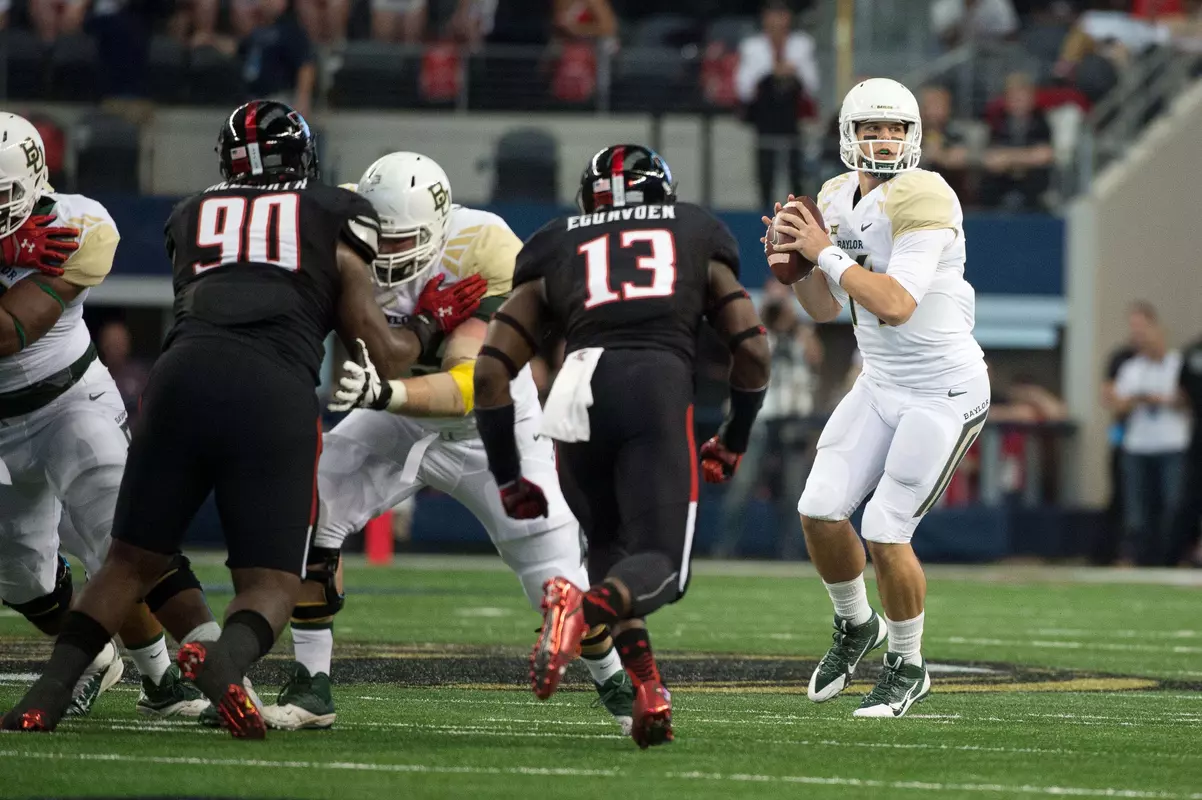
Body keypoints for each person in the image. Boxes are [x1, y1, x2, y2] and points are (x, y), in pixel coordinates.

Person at [0, 100, 468, 738]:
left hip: (179, 378)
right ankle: (221, 664)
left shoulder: (189, 213)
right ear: (304, 160)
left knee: (127, 562)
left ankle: (46, 698)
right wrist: (427, 322)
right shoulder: (335, 210)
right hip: (272, 389)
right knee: (272, 581)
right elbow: (376, 347)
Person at [261, 152, 634, 734]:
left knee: (556, 576)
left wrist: (384, 394)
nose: (385, 251)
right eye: (378, 236)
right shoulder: (340, 215)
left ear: (437, 226)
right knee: (310, 511)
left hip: (491, 426)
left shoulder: (485, 247)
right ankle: (312, 687)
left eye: (402, 238)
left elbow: (468, 383)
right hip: (393, 410)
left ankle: (618, 687)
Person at [469, 144, 771, 747]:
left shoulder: (557, 239)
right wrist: (734, 438)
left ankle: (649, 689)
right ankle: (578, 607)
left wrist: (507, 475)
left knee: (611, 548)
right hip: (651, 384)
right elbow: (754, 348)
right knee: (663, 568)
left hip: (575, 391)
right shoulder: (693, 228)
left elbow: (489, 373)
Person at [768, 77, 988, 717]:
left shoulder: (926, 194)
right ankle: (854, 623)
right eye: (871, 128)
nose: (883, 139)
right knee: (818, 509)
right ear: (849, 136)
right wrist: (799, 262)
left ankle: (907, 664)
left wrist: (824, 252)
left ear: (914, 136)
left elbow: (895, 303)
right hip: (882, 382)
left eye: (894, 128)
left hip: (943, 390)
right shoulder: (836, 196)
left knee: (887, 529)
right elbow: (822, 308)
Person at [0, 113, 210, 720]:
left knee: (119, 537)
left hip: (69, 402)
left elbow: (11, 332)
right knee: (19, 576)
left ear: (36, 178)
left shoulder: (81, 222)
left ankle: (165, 676)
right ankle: (95, 658)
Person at [1111, 304, 1190, 566]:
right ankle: (1136, 556)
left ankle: (1172, 555)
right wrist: (1141, 399)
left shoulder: (1178, 364)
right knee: (1137, 509)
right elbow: (1118, 404)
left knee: (1173, 504)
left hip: (1172, 443)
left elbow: (1186, 399)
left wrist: (1162, 399)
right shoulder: (1131, 368)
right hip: (1138, 445)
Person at [736, 0, 819, 210]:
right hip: (765, 119)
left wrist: (792, 71)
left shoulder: (802, 44)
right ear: (765, 18)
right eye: (773, 15)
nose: (777, 21)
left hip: (791, 119)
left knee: (795, 173)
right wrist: (772, 70)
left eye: (782, 15)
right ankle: (764, 214)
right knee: (766, 174)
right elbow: (743, 88)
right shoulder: (752, 47)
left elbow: (812, 85)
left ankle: (801, 214)